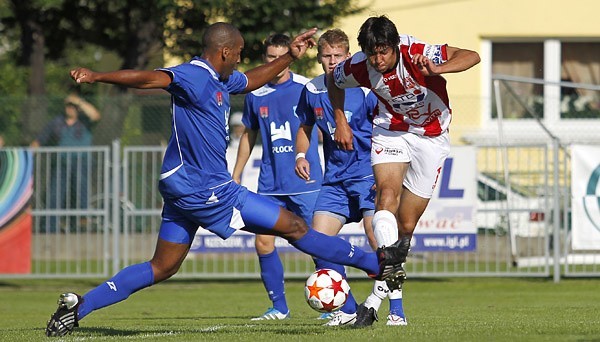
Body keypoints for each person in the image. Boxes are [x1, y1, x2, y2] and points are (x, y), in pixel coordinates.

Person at [45, 22, 406, 337]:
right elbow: (149, 78)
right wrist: (96, 76)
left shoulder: (221, 77)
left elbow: (251, 80)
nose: (240, 58)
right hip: (206, 188)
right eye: (239, 53)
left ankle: (78, 307)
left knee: (162, 266)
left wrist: (289, 57)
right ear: (224, 51)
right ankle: (379, 264)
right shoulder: (193, 74)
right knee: (294, 226)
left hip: (183, 187)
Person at [328, 15, 480, 327]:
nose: (377, 59)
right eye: (372, 52)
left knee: (406, 226)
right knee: (386, 196)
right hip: (391, 131)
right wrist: (340, 118)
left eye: (383, 51)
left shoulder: (417, 53)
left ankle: (372, 303)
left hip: (432, 137)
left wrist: (438, 70)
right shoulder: (359, 65)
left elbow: (472, 56)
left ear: (395, 46)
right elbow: (333, 78)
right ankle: (386, 266)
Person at [295, 28, 386, 326]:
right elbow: (304, 127)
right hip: (334, 180)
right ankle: (346, 309)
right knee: (318, 242)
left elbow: (386, 129)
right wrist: (300, 156)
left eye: (338, 55)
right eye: (326, 55)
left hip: (368, 176)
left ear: (348, 56)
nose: (332, 61)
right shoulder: (312, 89)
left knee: (378, 238)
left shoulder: (366, 89)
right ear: (319, 57)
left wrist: (384, 171)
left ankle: (395, 311)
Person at [231, 33, 321, 320]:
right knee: (263, 243)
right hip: (270, 183)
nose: (275, 62)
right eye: (270, 57)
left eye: (280, 56)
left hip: (305, 182)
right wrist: (237, 173)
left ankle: (340, 307)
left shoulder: (306, 88)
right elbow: (249, 135)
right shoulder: (255, 94)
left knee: (318, 243)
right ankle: (278, 308)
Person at [31, 93, 101, 232]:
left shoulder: (84, 120)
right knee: (55, 193)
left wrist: (79, 101)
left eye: (73, 106)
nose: (70, 109)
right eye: (68, 106)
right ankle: (50, 227)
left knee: (82, 191)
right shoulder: (57, 122)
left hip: (81, 161)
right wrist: (26, 154)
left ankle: (83, 224)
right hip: (61, 163)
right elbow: (40, 140)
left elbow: (96, 116)